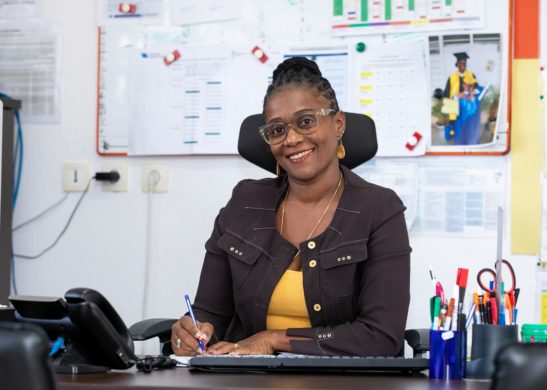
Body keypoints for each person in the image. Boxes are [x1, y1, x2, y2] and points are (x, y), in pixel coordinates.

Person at [171, 57, 411, 357]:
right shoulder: (244, 203)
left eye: (306, 121)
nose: (292, 138)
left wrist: (273, 340)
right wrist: (194, 331)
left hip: (345, 381)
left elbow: (381, 336)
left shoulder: (379, 209)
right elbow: (211, 313)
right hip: (245, 379)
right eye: (277, 130)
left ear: (338, 123)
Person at [442, 52, 482, 145]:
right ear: (457, 64)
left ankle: (470, 143)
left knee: (468, 127)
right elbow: (447, 93)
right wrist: (448, 113)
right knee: (457, 126)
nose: (462, 65)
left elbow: (476, 87)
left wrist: (467, 91)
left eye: (464, 63)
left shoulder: (471, 75)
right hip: (456, 105)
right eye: (460, 63)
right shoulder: (452, 77)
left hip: (467, 106)